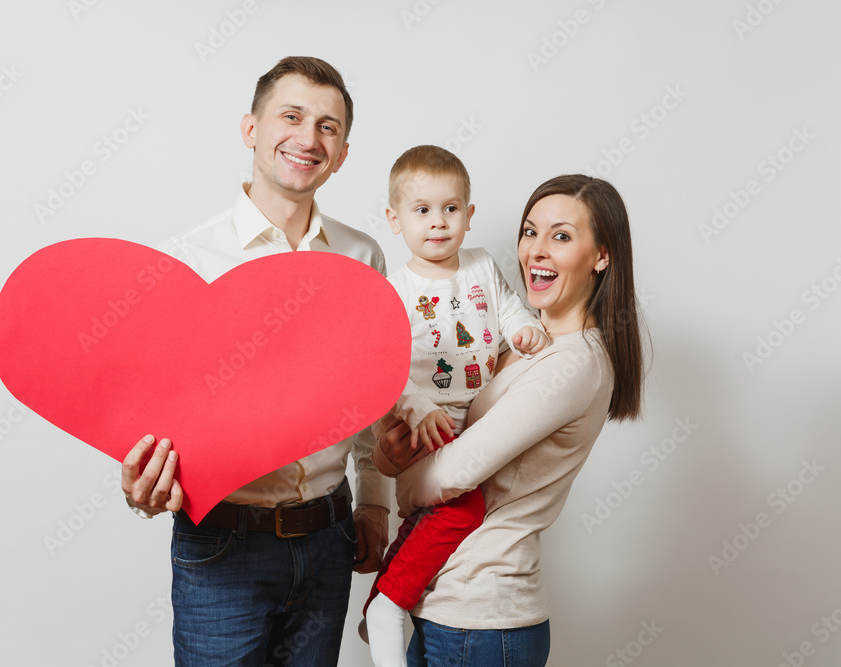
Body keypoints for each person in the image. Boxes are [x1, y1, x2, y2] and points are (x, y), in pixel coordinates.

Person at [119, 56, 392, 667]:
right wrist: (142, 486)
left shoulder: (362, 255)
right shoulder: (188, 260)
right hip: (223, 542)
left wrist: (375, 501)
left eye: (328, 126)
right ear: (251, 129)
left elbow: (378, 392)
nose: (308, 138)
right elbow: (155, 409)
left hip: (330, 537)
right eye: (291, 116)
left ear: (343, 153)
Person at [373, 174, 645, 666]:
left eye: (561, 236)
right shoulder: (518, 343)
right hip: (445, 607)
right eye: (529, 231)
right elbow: (434, 435)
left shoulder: (574, 363)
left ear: (601, 256)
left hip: (483, 618)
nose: (536, 250)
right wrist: (387, 458)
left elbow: (457, 472)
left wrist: (406, 487)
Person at [359, 145, 549, 667]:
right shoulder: (395, 291)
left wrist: (523, 330)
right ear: (395, 220)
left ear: (469, 214)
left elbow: (509, 308)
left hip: (482, 416)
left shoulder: (483, 266)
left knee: (457, 517)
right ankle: (389, 604)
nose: (437, 223)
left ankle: (397, 590)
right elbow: (384, 369)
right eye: (421, 210)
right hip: (429, 426)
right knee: (460, 508)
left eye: (450, 209)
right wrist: (418, 408)